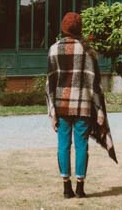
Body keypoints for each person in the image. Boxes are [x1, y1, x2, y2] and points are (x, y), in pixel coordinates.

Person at [46, 11, 117, 199]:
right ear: (80, 28)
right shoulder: (87, 50)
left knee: (63, 145)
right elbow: (95, 85)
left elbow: (50, 84)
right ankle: (80, 187)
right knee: (81, 145)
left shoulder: (53, 49)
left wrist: (51, 112)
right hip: (84, 106)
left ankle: (65, 188)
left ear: (63, 27)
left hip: (61, 106)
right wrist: (100, 110)